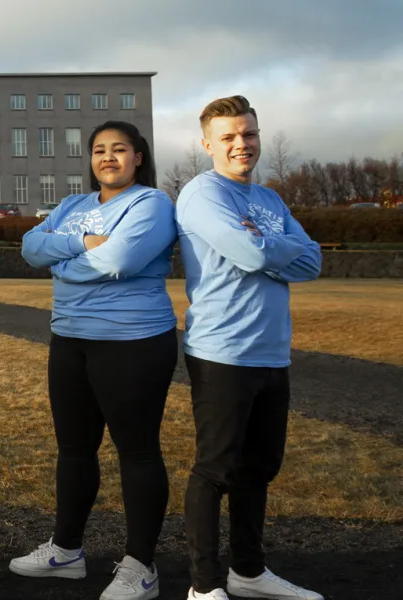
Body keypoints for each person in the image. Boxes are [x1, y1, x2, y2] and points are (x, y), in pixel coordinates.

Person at [14, 121, 177, 600]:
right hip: (70, 340)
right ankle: (66, 552)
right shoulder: (73, 206)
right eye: (100, 150)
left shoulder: (151, 204)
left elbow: (118, 262)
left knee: (138, 451)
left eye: (119, 149)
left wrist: (60, 262)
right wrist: (81, 244)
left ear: (138, 156)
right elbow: (28, 247)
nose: (109, 158)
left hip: (134, 342)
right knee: (74, 450)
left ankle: (140, 566)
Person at [176, 96, 323, 600]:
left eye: (249, 134)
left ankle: (249, 572)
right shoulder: (201, 193)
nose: (242, 144)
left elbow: (313, 262)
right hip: (223, 351)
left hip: (272, 351)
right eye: (229, 137)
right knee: (216, 469)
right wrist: (268, 248)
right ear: (207, 143)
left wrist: (265, 248)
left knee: (259, 469)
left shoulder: (271, 201)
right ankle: (203, 586)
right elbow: (248, 251)